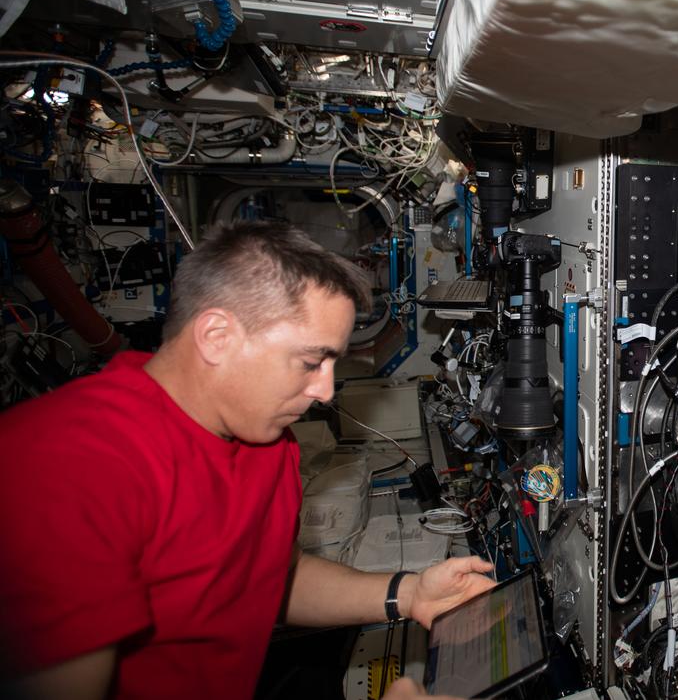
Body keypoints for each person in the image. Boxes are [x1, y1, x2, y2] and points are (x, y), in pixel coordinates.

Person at [0, 222, 494, 699]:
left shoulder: (268, 444)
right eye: (309, 362)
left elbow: (268, 577)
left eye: (332, 364)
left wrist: (407, 595)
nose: (324, 391)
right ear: (216, 336)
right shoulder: (64, 464)